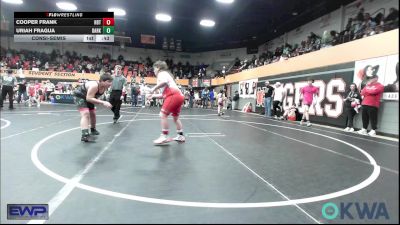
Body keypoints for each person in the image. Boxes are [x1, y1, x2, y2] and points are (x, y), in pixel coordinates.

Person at [148, 61, 185, 145]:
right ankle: (180, 136)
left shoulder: (162, 73)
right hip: (179, 96)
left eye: (154, 69)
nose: (153, 71)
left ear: (158, 67)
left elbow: (164, 83)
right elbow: (164, 94)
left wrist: (153, 89)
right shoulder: (166, 75)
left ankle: (164, 136)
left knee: (163, 115)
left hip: (173, 95)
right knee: (175, 117)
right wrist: (153, 96)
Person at [73, 73, 113, 142]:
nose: (110, 83)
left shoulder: (105, 87)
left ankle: (93, 129)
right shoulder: (94, 85)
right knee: (85, 114)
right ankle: (85, 135)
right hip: (80, 96)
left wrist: (97, 102)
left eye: (111, 82)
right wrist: (103, 102)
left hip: (90, 96)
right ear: (102, 81)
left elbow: (93, 96)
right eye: (108, 82)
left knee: (92, 113)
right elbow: (89, 98)